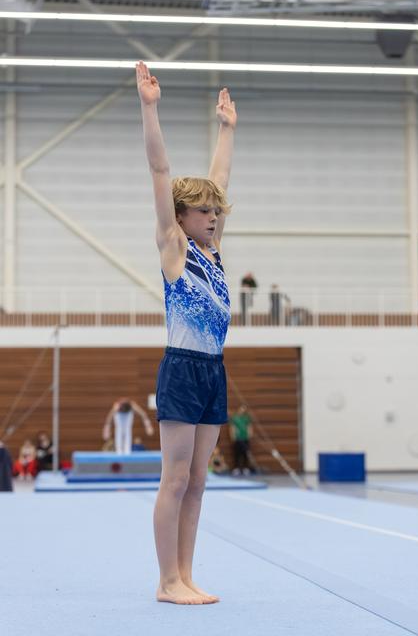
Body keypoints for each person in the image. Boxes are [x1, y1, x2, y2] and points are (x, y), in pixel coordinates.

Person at [137, 60, 236, 605]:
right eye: (202, 212)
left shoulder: (215, 251)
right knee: (174, 480)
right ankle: (165, 579)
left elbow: (218, 183)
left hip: (214, 369)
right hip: (181, 366)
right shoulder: (175, 249)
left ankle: (186, 574)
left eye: (215, 212)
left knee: (198, 483)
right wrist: (150, 108)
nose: (214, 216)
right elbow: (159, 172)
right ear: (181, 217)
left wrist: (227, 129)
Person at [229, 404, 256, 475]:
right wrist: (233, 436)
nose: (242, 410)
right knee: (237, 454)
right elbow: (232, 427)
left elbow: (249, 427)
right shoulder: (235, 418)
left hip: (245, 438)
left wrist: (250, 434)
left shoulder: (246, 418)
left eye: (244, 409)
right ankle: (236, 468)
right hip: (238, 439)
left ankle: (245, 468)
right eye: (241, 409)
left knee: (245, 454)